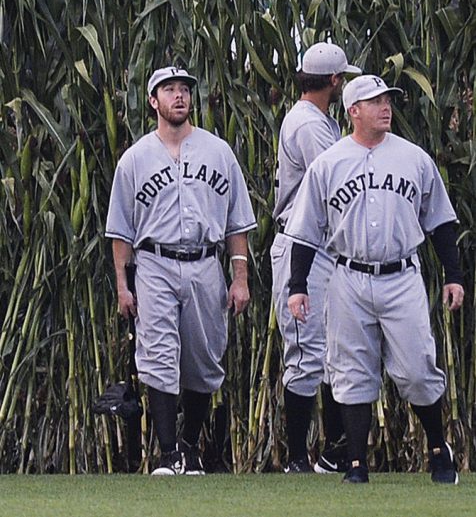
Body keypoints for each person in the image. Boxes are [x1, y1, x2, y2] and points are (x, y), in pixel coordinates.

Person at [286, 74, 464, 484]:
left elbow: (440, 222)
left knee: (418, 369)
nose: (385, 107)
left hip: (401, 275)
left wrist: (453, 275)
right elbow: (306, 230)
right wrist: (297, 286)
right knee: (350, 373)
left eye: (388, 99)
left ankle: (439, 448)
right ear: (353, 111)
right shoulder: (329, 163)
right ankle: (356, 465)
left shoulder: (413, 158)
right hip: (347, 275)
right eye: (375, 101)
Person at [105, 66, 257, 475]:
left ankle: (190, 447)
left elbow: (236, 223)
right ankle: (169, 454)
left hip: (206, 262)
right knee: (157, 355)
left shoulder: (218, 151)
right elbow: (121, 230)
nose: (179, 96)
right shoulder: (135, 158)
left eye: (184, 90)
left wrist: (240, 277)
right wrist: (123, 285)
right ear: (153, 101)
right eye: (169, 90)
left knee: (204, 360)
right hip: (154, 262)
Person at [271, 42, 361, 473]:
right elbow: (335, 183)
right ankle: (296, 459)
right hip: (303, 244)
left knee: (330, 351)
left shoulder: (315, 119)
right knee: (306, 351)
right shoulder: (308, 123)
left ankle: (333, 452)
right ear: (334, 82)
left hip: (320, 246)